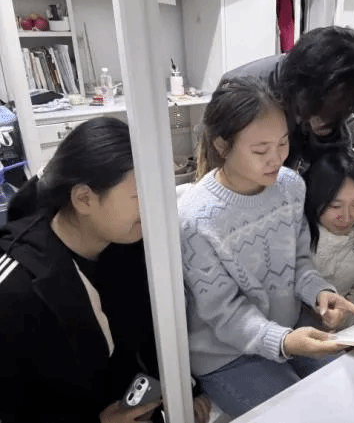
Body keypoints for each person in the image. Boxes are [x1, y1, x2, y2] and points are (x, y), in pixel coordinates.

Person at [0, 117, 211, 423]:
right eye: (140, 197)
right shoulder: (17, 288)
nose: (154, 208)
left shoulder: (129, 243)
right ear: (84, 199)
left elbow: (152, 331)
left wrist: (184, 387)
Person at [179, 78, 354, 418]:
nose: (277, 158)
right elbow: (224, 314)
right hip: (227, 354)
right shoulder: (195, 219)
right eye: (260, 150)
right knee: (301, 414)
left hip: (287, 329)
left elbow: (299, 261)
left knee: (351, 395)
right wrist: (283, 342)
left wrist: (320, 292)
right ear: (222, 144)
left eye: (282, 143)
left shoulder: (290, 186)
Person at [218, 25, 354, 174]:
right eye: (327, 107)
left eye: (345, 108)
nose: (330, 118)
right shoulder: (240, 92)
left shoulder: (337, 99)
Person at [303, 149, 354, 326]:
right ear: (315, 199)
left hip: (340, 331)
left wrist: (343, 316)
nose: (346, 217)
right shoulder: (298, 230)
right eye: (335, 206)